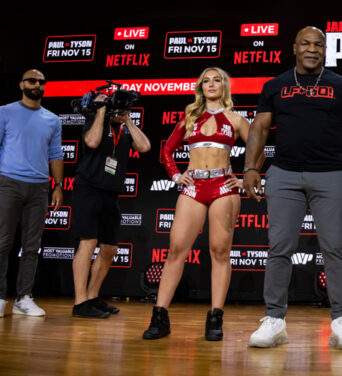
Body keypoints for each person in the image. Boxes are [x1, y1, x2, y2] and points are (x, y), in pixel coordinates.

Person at [244, 26, 342, 350]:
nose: (312, 49)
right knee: (279, 247)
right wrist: (249, 167)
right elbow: (259, 127)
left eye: (318, 44)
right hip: (283, 174)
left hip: (330, 174)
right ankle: (274, 320)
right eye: (305, 43)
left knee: (335, 248)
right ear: (294, 48)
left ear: (325, 50)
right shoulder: (276, 85)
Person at [143, 67, 253, 341]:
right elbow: (167, 150)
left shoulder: (236, 119)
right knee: (176, 249)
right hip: (193, 187)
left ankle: (215, 318)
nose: (212, 84)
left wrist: (246, 180)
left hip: (222, 187)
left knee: (219, 251)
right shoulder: (190, 117)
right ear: (200, 87)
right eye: (207, 80)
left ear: (225, 86)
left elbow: (258, 149)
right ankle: (159, 317)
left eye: (217, 80)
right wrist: (175, 175)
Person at [71, 93, 151, 318]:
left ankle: (93, 296)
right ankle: (80, 302)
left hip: (111, 193)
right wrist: (101, 111)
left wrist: (127, 120)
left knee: (109, 248)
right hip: (88, 189)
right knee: (87, 243)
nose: (117, 109)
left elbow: (144, 147)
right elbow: (93, 141)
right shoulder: (94, 122)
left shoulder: (124, 129)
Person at [0, 69, 63, 317]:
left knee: (31, 246)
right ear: (21, 84)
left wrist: (58, 184)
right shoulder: (5, 112)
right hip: (8, 182)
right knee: (3, 242)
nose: (37, 84)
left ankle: (24, 298)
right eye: (32, 80)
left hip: (39, 187)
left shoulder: (53, 120)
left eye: (41, 82)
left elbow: (56, 154)